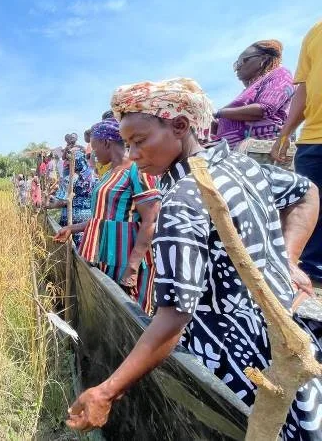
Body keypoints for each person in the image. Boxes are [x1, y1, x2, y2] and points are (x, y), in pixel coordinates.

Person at [66, 78, 322, 439]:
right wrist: (286, 260)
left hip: (236, 360)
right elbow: (306, 191)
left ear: (180, 126)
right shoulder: (242, 165)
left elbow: (175, 315)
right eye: (128, 144)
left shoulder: (182, 201)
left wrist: (107, 391)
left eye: (140, 141)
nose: (133, 154)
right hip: (285, 339)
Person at [54, 119, 161, 314]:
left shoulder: (138, 170)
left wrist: (132, 268)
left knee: (130, 315)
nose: (93, 153)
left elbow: (150, 220)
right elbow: (104, 218)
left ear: (106, 143)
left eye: (95, 147)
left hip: (127, 259)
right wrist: (72, 228)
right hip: (107, 256)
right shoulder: (110, 173)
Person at [272, 20, 322, 286]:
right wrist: (286, 132)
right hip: (313, 138)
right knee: (309, 204)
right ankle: (309, 274)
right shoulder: (315, 32)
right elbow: (303, 88)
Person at [213, 40, 295, 165]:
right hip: (235, 156)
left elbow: (264, 109)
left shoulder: (280, 74)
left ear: (263, 59)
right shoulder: (250, 89)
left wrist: (218, 113)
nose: (237, 67)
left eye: (242, 61)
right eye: (235, 64)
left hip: (261, 156)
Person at [44, 148, 95, 244]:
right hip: (88, 221)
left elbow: (62, 201)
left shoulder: (71, 178)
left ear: (73, 162)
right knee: (85, 247)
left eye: (67, 160)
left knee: (72, 247)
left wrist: (49, 202)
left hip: (72, 221)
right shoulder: (93, 176)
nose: (66, 163)